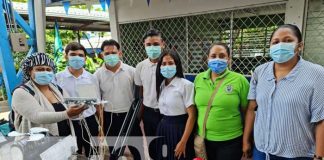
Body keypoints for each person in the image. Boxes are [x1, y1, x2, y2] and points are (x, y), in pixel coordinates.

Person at [243, 24, 324, 160]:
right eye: (275, 42)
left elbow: (321, 119)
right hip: (262, 152)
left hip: (298, 155)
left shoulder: (316, 74)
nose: (280, 45)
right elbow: (252, 109)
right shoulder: (259, 72)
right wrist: (246, 141)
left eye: (287, 40)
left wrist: (319, 156)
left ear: (300, 46)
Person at [194, 43, 250, 160]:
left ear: (228, 59)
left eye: (222, 56)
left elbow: (248, 112)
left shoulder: (240, 80)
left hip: (231, 142)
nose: (217, 59)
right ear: (207, 59)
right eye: (213, 56)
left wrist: (246, 140)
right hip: (204, 141)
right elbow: (196, 110)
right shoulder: (199, 79)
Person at [12, 52, 85, 136]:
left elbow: (70, 108)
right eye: (40, 69)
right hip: (37, 144)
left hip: (65, 139)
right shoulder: (21, 92)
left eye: (48, 69)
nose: (45, 72)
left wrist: (79, 108)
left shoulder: (57, 89)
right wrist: (67, 114)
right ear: (29, 71)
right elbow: (37, 116)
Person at [94, 39, 142, 160]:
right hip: (110, 118)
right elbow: (97, 102)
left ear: (120, 53)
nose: (111, 56)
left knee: (138, 150)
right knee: (114, 152)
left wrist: (138, 116)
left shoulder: (131, 71)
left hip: (130, 116)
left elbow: (140, 95)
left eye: (113, 52)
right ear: (102, 55)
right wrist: (101, 125)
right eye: (107, 53)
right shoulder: (97, 75)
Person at [55, 42, 100, 157]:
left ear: (85, 58)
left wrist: (100, 124)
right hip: (69, 121)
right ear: (66, 56)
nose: (77, 58)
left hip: (90, 120)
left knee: (93, 150)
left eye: (80, 55)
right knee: (74, 152)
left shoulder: (91, 77)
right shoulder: (58, 78)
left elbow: (96, 102)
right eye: (73, 54)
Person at [155, 50, 196, 160]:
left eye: (170, 63)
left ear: (177, 65)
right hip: (163, 128)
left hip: (179, 130)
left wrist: (183, 142)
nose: (167, 66)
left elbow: (192, 116)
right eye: (163, 64)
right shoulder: (161, 85)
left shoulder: (186, 85)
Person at [134, 28, 165, 159]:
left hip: (167, 113)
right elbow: (140, 93)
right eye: (149, 45)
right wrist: (139, 116)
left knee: (166, 145)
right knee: (152, 145)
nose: (153, 47)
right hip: (149, 113)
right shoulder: (140, 67)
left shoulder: (169, 64)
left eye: (156, 44)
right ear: (144, 45)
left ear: (163, 44)